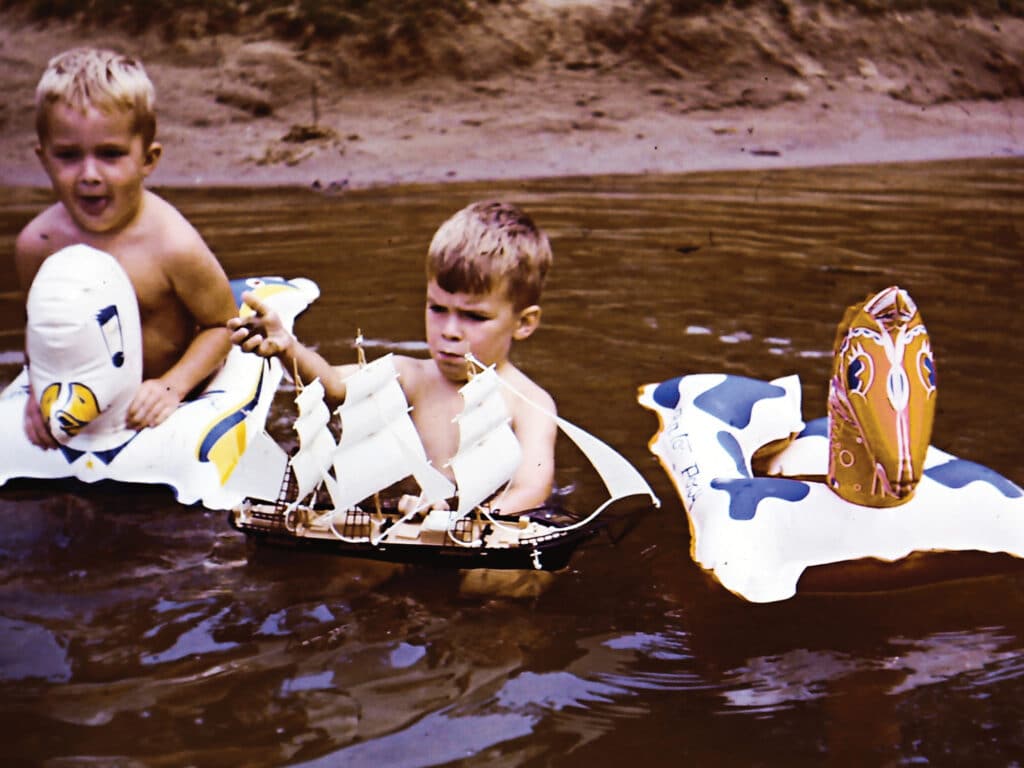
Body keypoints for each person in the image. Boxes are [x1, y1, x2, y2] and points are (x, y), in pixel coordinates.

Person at [230, 200, 557, 516]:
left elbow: (530, 489)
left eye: (474, 317)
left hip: (483, 531)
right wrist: (288, 347)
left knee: (501, 575)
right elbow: (331, 385)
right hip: (402, 521)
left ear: (524, 323)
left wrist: (461, 523)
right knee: (355, 567)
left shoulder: (528, 403)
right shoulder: (411, 376)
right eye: (438, 309)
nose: (450, 331)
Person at [14, 47, 237, 448]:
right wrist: (36, 391)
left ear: (148, 160)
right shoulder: (38, 244)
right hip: (88, 402)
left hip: (162, 399)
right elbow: (41, 333)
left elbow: (223, 326)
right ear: (43, 158)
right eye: (67, 155)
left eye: (111, 154)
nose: (89, 175)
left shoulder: (172, 245)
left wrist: (173, 387)